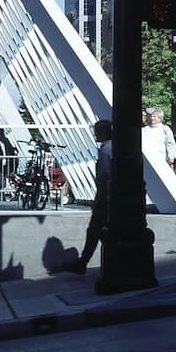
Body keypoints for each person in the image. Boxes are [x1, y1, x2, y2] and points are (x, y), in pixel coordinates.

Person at [65, 117, 115, 274]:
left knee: (94, 230)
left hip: (105, 198)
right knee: (96, 230)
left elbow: (105, 176)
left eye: (96, 132)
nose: (95, 136)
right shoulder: (114, 148)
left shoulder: (105, 150)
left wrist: (101, 197)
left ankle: (83, 262)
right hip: (111, 196)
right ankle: (82, 262)